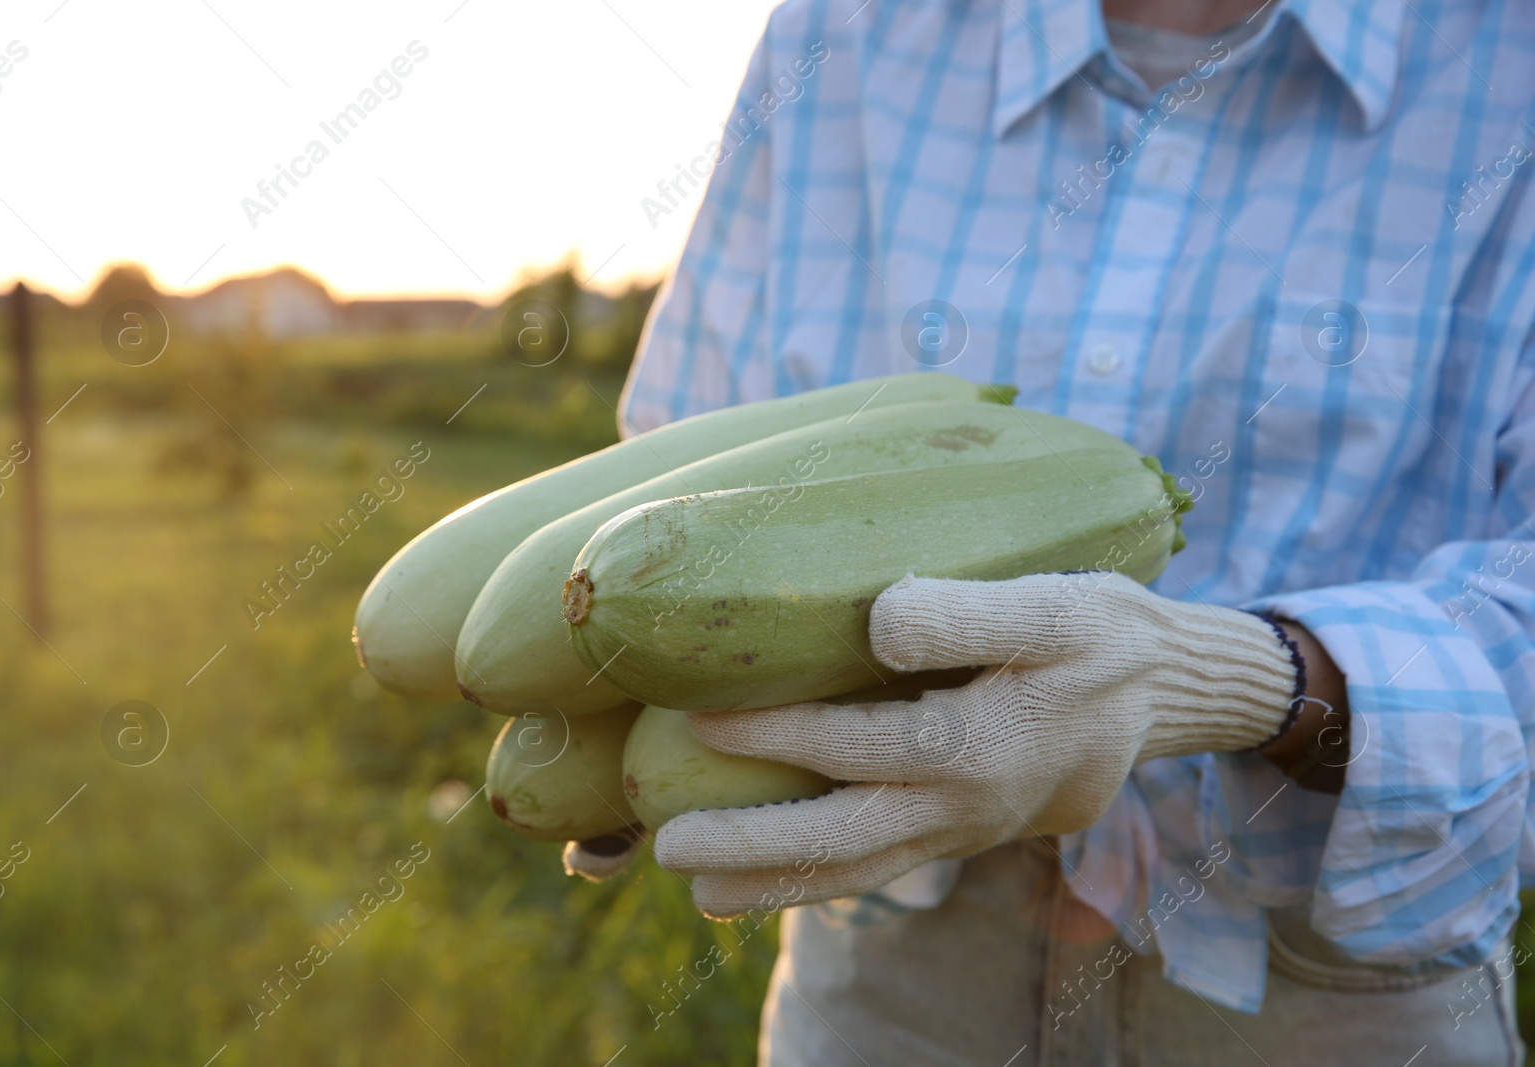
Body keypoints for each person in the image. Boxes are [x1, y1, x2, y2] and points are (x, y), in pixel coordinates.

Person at [597, 0, 1535, 1062]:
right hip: (888, 969)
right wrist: (602, 714)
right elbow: (684, 467)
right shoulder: (842, 30)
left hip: (1319, 992)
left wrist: (1229, 677)